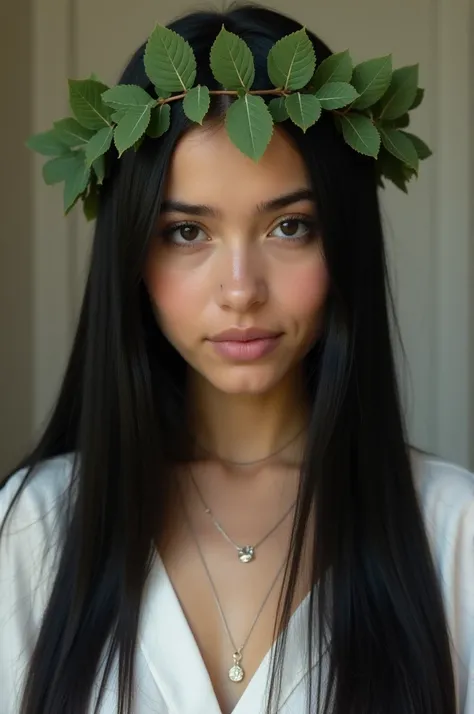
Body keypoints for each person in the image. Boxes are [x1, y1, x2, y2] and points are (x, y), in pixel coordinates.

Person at [1, 3, 473, 714]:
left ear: (343, 240)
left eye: (290, 226)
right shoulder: (34, 528)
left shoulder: (454, 530)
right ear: (132, 255)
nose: (241, 291)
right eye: (187, 231)